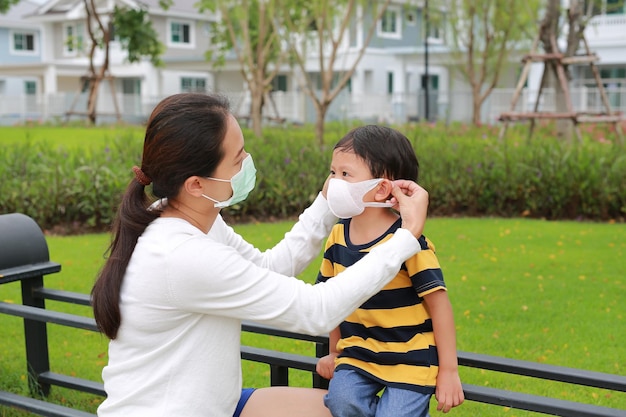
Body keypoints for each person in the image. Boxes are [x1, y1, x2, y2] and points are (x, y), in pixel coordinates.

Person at [90, 93, 430, 417]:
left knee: (339, 410)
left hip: (216, 406)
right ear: (197, 185)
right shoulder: (182, 255)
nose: (247, 164)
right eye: (238, 159)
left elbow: (271, 268)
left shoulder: (187, 217)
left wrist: (329, 202)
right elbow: (317, 310)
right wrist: (404, 237)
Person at [315, 125, 464, 417]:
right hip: (357, 356)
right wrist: (334, 353)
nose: (333, 183)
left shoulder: (410, 241)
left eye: (345, 175)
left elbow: (439, 305)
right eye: (333, 172)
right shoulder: (337, 236)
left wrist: (448, 370)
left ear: (382, 187)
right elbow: (330, 299)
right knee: (340, 401)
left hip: (411, 359)